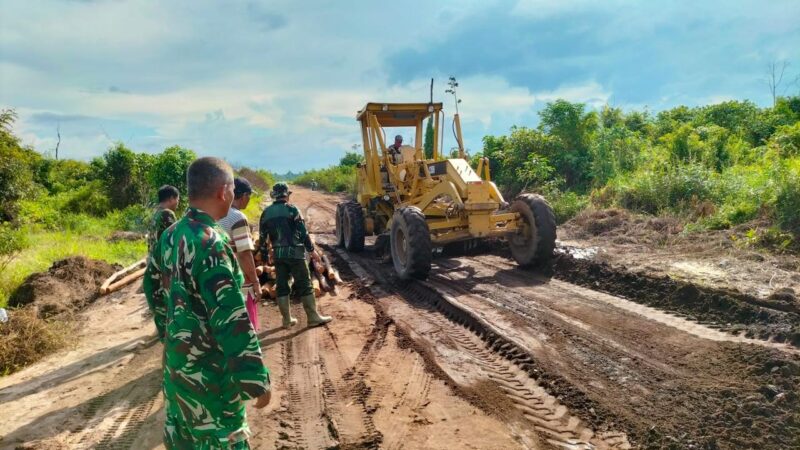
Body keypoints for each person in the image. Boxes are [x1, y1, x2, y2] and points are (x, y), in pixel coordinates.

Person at [143, 157, 271, 450]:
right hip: (211, 380)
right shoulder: (212, 242)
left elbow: (151, 285)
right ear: (224, 192)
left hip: (177, 372)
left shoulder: (171, 235)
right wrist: (256, 380)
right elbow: (230, 318)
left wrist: (169, 332)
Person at [259, 182, 332, 328]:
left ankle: (286, 320)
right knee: (304, 284)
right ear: (287, 195)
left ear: (274, 196)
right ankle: (312, 317)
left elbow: (262, 237)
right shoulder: (292, 210)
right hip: (296, 253)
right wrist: (312, 251)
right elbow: (303, 233)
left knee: (282, 285)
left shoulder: (266, 213)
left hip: (279, 254)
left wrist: (266, 256)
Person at [218, 177, 262, 330]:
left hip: (218, 280)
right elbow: (244, 254)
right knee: (244, 327)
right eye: (249, 196)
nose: (249, 200)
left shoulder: (215, 213)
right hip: (238, 279)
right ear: (243, 195)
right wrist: (256, 282)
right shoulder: (237, 217)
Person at [146, 185, 179, 255]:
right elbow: (176, 238)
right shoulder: (167, 213)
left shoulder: (155, 213)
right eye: (177, 200)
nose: (177, 203)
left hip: (153, 259)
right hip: (163, 260)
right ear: (171, 199)